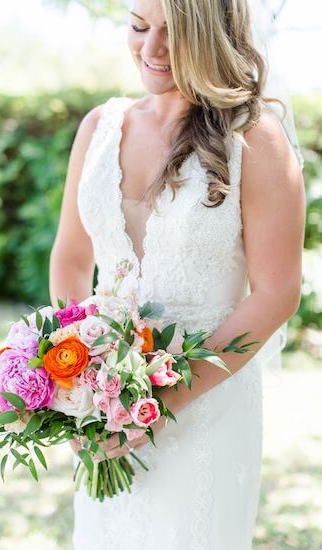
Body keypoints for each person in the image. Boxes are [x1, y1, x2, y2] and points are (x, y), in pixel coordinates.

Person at [49, 1, 306, 548]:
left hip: (209, 403)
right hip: (106, 407)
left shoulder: (255, 141)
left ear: (213, 36)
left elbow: (278, 293)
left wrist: (162, 405)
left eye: (174, 33)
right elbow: (72, 259)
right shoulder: (99, 127)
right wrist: (79, 376)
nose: (151, 49)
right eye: (139, 27)